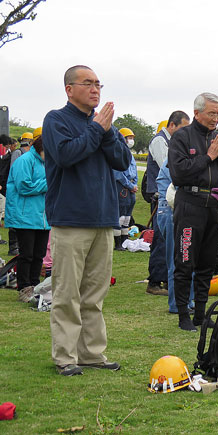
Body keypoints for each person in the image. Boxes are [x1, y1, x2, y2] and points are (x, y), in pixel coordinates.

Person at [43, 65, 132, 376]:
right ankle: (65, 356)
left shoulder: (105, 124)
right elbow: (67, 155)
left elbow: (122, 160)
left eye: (98, 84)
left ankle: (92, 354)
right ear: (69, 89)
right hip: (70, 220)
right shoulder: (56, 120)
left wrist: (107, 131)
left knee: (94, 293)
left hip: (103, 219)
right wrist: (97, 129)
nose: (96, 89)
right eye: (88, 83)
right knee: (67, 293)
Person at [168, 92, 218, 331]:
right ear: (197, 112)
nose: (215, 118)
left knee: (208, 264)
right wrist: (208, 157)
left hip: (214, 206)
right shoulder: (182, 137)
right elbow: (178, 173)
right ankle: (182, 316)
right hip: (190, 204)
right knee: (185, 261)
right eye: (211, 113)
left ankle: (200, 314)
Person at [145, 111, 190, 296]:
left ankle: (163, 279)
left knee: (170, 242)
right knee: (161, 240)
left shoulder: (172, 142)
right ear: (172, 125)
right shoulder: (159, 141)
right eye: (183, 128)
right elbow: (169, 165)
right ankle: (155, 281)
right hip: (161, 198)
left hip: (172, 197)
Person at [4, 135, 49, 295]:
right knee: (26, 255)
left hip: (43, 217)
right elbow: (24, 186)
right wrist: (50, 182)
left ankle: (35, 285)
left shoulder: (48, 163)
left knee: (39, 255)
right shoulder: (24, 161)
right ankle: (24, 287)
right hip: (25, 216)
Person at [156, 160, 195, 314]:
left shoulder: (181, 156)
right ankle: (178, 304)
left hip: (177, 210)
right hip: (172, 210)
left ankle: (186, 300)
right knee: (178, 260)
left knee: (187, 259)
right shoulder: (176, 159)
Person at [113, 127, 138, 251]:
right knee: (120, 215)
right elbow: (118, 174)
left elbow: (135, 171)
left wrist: (135, 184)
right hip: (122, 187)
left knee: (127, 216)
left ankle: (124, 240)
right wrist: (130, 185)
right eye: (129, 138)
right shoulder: (117, 153)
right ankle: (117, 243)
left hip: (131, 187)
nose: (131, 140)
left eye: (132, 138)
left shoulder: (129, 154)